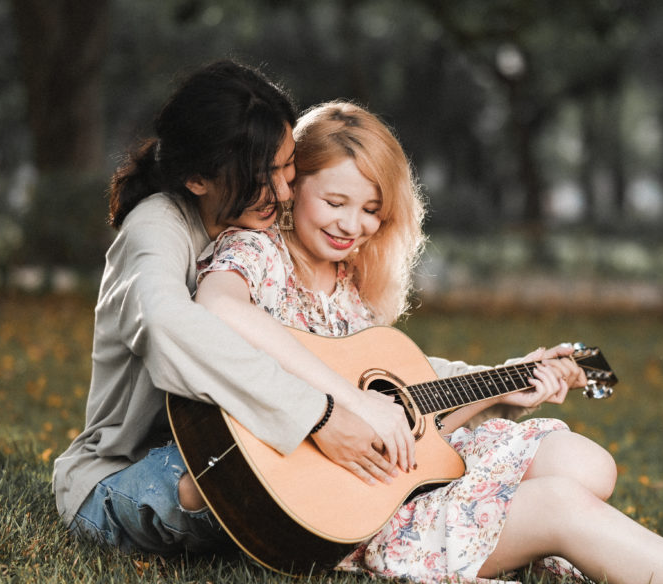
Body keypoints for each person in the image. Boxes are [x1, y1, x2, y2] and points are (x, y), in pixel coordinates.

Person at [194, 101, 663, 584]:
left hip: (389, 476)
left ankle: (557, 538)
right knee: (565, 504)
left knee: (581, 459)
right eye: (336, 201)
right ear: (292, 190)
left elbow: (413, 411)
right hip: (339, 510)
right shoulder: (257, 253)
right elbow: (221, 311)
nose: (353, 225)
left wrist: (511, 383)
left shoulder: (349, 292)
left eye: (372, 209)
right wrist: (341, 404)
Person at [53, 61, 413, 558]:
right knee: (230, 481)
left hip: (233, 440)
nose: (286, 191)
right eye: (265, 175)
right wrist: (319, 416)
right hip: (128, 473)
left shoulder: (255, 232)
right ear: (199, 178)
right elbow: (166, 323)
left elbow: (325, 350)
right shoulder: (156, 228)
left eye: (290, 167)